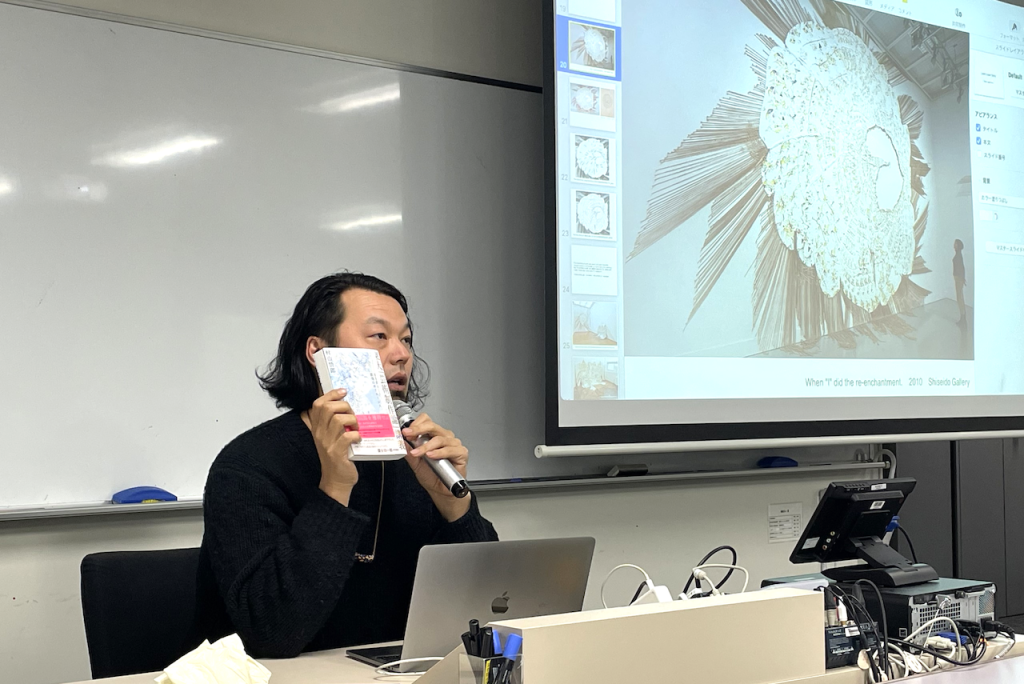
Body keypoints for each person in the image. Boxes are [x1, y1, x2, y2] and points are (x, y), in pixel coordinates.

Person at [192, 272, 498, 658]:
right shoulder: (248, 465)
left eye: (406, 339)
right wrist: (335, 487)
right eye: (379, 336)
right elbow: (272, 633)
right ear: (317, 352)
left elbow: (488, 613)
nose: (402, 354)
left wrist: (455, 507)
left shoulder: (415, 457)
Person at [953, 239, 967, 324]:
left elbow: (961, 267)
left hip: (958, 278)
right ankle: (962, 317)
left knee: (959, 298)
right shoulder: (958, 255)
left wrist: (962, 278)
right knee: (959, 297)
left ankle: (963, 318)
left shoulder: (958, 255)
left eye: (955, 244)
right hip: (958, 278)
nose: (954, 245)